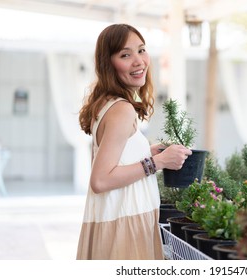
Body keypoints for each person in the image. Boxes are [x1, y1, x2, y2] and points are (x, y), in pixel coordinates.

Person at [76, 23, 192, 260]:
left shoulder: (108, 103)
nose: (138, 61)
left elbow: (114, 157)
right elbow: (100, 179)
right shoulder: (122, 110)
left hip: (120, 224)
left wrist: (148, 152)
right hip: (124, 229)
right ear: (108, 64)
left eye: (141, 50)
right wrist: (157, 162)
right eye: (125, 55)